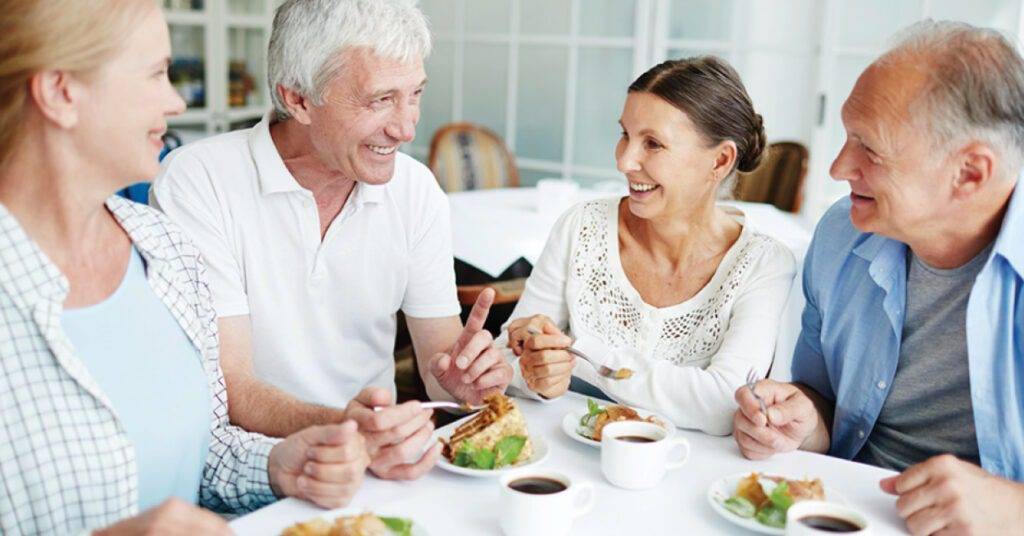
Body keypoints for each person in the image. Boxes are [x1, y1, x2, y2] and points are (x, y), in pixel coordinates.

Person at [0, 1, 371, 534]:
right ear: (61, 93)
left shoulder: (163, 248)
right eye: (156, 74)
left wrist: (277, 465)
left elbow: (204, 446)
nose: (175, 101)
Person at [150, 0, 511, 480]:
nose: (405, 128)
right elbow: (230, 387)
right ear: (297, 99)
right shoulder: (200, 180)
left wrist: (459, 380)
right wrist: (346, 427)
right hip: (253, 472)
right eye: (380, 100)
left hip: (379, 466)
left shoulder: (415, 188)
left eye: (415, 94)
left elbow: (439, 369)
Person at [732, 21, 1024, 535]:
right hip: (841, 508)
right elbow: (825, 403)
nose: (839, 167)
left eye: (870, 148)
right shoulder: (841, 236)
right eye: (847, 137)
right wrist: (803, 422)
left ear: (971, 173)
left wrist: (1011, 509)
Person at [501, 56, 797, 435]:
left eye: (653, 144)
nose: (625, 161)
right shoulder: (582, 227)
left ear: (720, 161)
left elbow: (725, 403)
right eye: (625, 134)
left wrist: (578, 352)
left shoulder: (763, 263)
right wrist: (535, 375)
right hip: (567, 461)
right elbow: (509, 352)